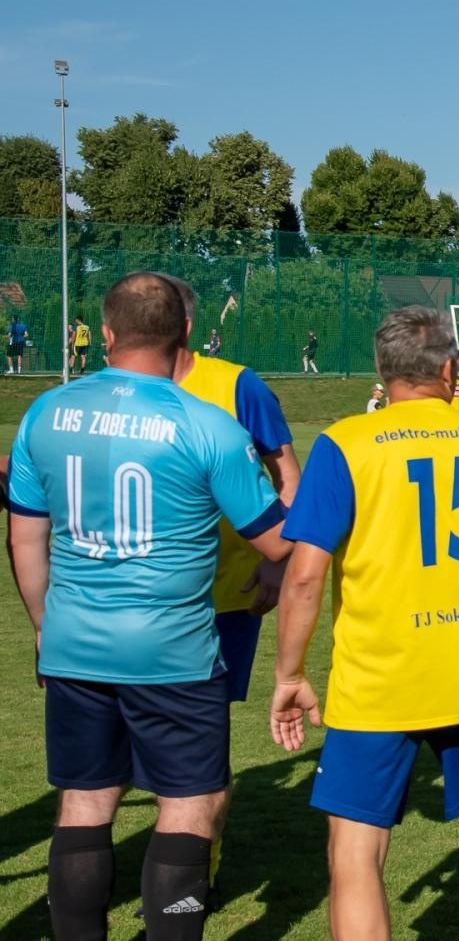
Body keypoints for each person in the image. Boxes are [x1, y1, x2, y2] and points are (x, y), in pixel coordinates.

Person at [6, 272, 292, 941]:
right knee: (188, 806)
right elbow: (277, 540)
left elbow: (25, 537)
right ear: (184, 332)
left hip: (74, 642)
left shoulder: (45, 412)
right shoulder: (207, 424)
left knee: (84, 803)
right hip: (173, 651)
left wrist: (46, 627)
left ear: (105, 334)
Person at [271, 305, 459, 941]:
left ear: (382, 370)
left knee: (356, 850)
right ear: (450, 369)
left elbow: (303, 576)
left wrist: (289, 674)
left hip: (378, 677)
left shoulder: (345, 444)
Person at [164, 275, 301, 905]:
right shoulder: (114, 390)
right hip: (134, 600)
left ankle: (196, 877)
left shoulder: (238, 385)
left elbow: (287, 474)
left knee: (199, 743)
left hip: (222, 599)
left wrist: (278, 562)